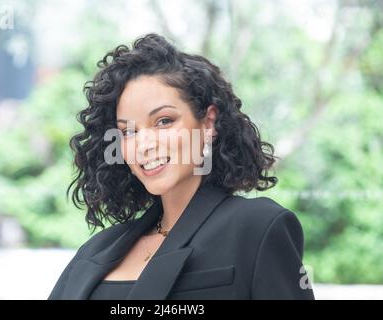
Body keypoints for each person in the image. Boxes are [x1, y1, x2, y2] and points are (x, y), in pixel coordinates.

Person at [48, 33, 315, 300]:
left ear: (208, 123)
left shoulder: (256, 227)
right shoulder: (96, 249)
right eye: (128, 131)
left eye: (163, 121)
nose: (144, 145)